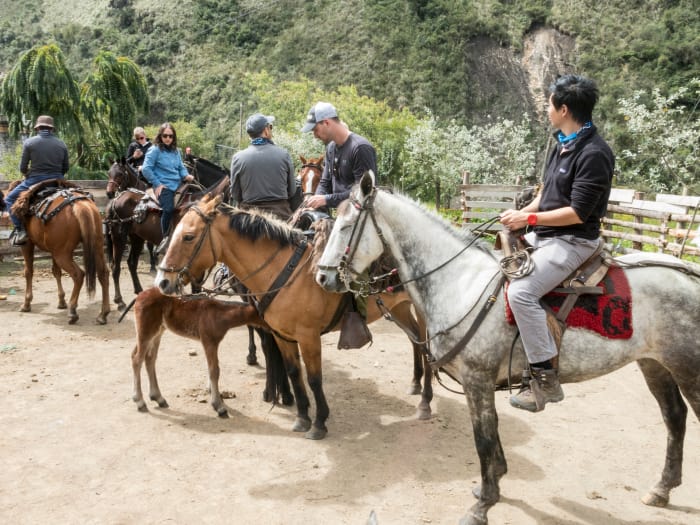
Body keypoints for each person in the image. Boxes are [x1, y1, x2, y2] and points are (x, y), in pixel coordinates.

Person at [499, 74, 615, 412]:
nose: (546, 110)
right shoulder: (562, 142)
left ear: (564, 109)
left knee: (521, 292)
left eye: (550, 105)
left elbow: (578, 213)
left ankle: (544, 377)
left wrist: (529, 220)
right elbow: (546, 195)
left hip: (574, 240)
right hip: (548, 232)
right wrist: (521, 213)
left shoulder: (594, 153)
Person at [300, 102, 377, 211]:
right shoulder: (331, 148)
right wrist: (314, 203)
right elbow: (324, 183)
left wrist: (327, 199)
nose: (315, 136)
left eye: (315, 130)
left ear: (326, 122)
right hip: (342, 216)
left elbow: (364, 192)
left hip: (360, 218)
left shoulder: (360, 148)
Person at [5, 115, 69, 245]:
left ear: (38, 128)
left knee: (9, 199)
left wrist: (28, 174)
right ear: (51, 129)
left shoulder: (30, 142)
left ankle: (20, 230)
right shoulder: (61, 144)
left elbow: (22, 168)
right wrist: (56, 176)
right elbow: (65, 167)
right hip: (58, 180)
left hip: (35, 180)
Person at [230, 113, 296, 220]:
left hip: (248, 220)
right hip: (280, 218)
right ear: (266, 130)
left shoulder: (237, 158)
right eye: (270, 127)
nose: (271, 130)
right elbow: (292, 191)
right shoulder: (284, 154)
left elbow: (235, 194)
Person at [141, 122, 194, 252]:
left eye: (170, 136)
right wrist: (157, 184)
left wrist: (186, 175)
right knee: (169, 209)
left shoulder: (176, 151)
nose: (168, 139)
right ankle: (165, 238)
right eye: (165, 136)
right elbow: (146, 169)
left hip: (179, 184)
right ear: (160, 136)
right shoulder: (154, 150)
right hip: (164, 186)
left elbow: (181, 167)